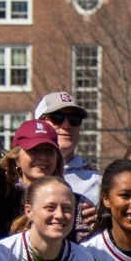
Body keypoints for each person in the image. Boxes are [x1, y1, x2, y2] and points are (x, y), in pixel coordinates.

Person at [32, 91, 101, 228]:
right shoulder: (20, 174)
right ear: (39, 123)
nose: (67, 125)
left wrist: (104, 220)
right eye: (57, 117)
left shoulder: (97, 181)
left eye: (75, 119)